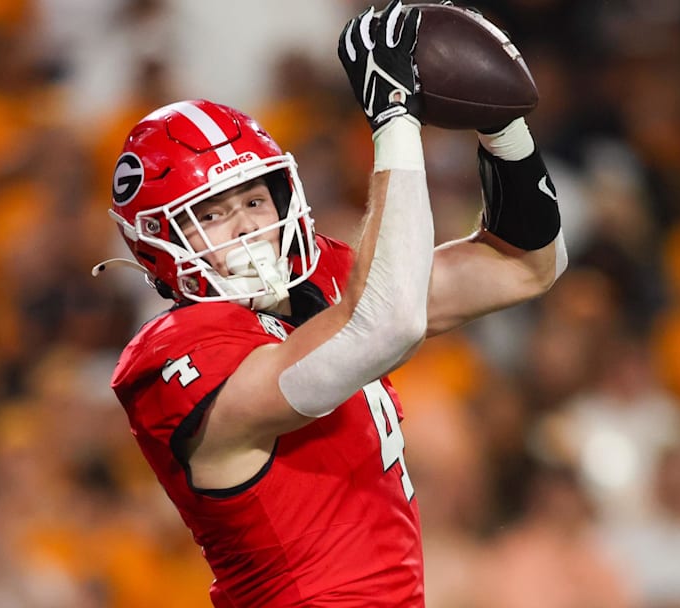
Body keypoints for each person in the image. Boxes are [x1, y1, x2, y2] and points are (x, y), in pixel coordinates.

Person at [94, 2, 567, 605]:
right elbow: (382, 324)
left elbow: (526, 267)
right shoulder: (179, 353)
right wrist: (394, 116)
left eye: (254, 200)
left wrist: (503, 128)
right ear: (159, 243)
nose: (244, 227)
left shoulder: (322, 283)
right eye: (208, 215)